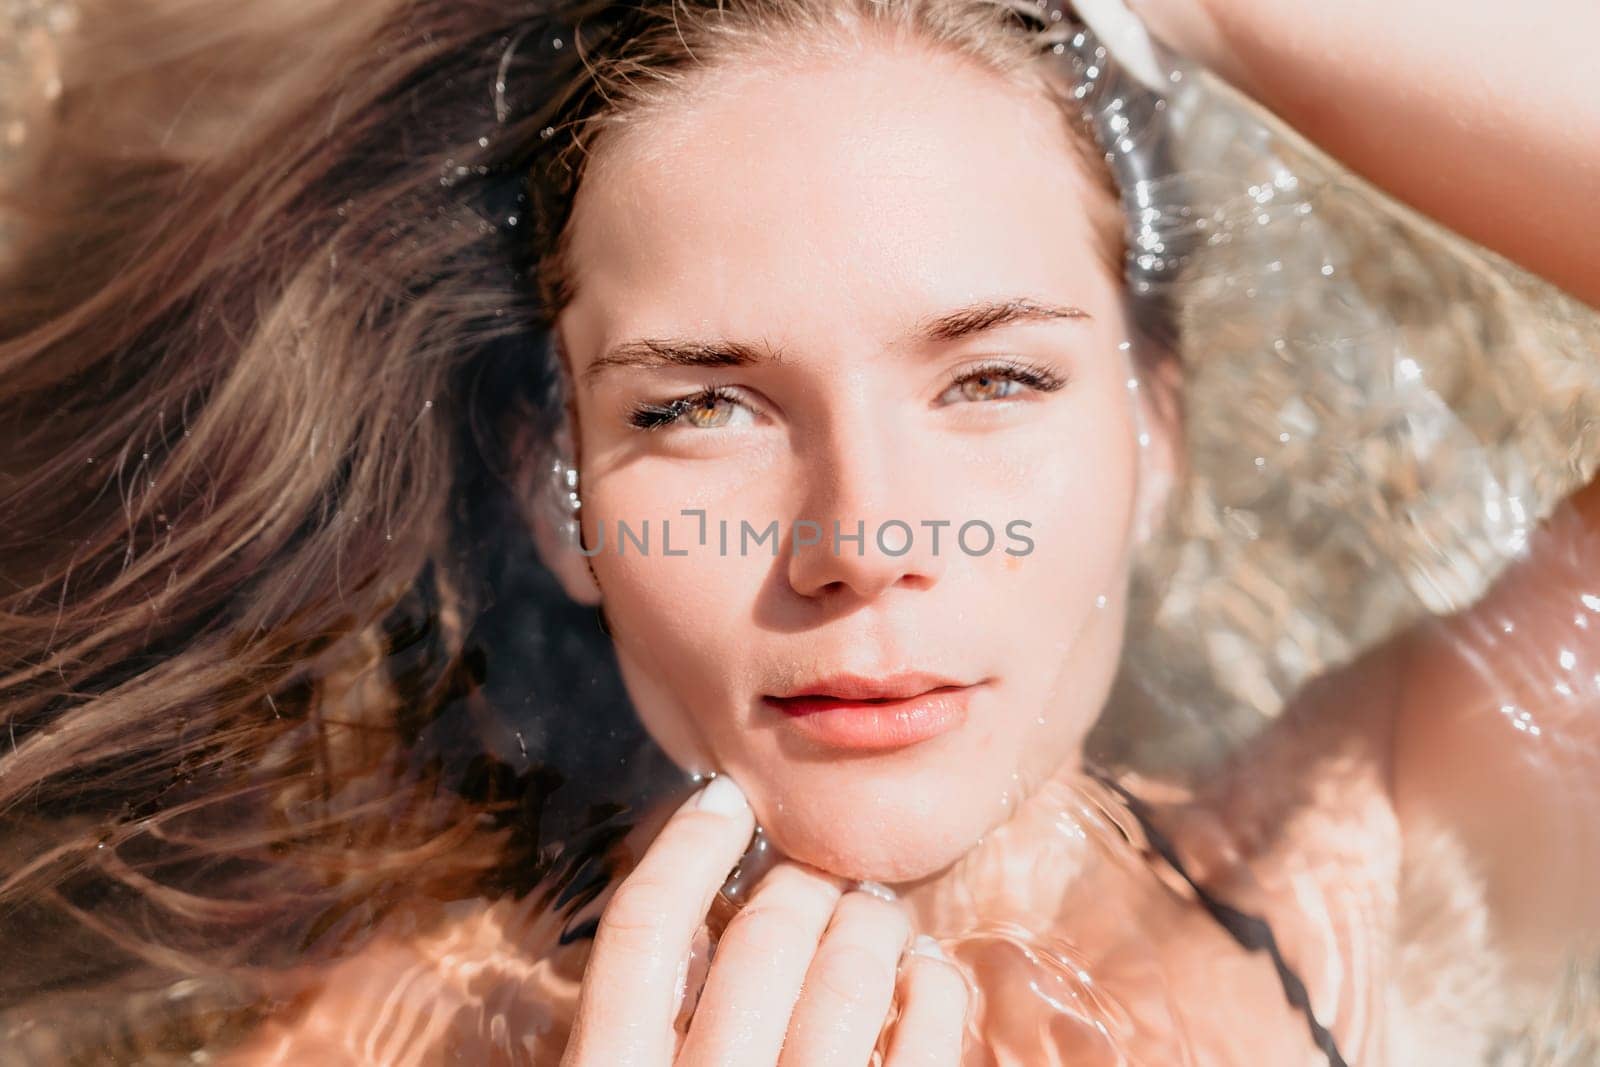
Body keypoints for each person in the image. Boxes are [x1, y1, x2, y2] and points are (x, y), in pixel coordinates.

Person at [0, 0, 1594, 1064]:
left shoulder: (1353, 865)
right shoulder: (414, 1036)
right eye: (700, 407)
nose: (863, 537)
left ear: (1155, 433)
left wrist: (1189, 8)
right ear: (559, 501)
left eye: (994, 377)